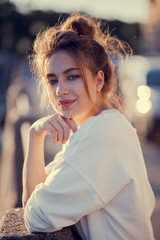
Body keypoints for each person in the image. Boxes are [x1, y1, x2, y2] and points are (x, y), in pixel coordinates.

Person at [22, 12, 155, 240]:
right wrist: (35, 135)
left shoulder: (102, 134)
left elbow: (36, 216)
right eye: (52, 80)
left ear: (99, 80)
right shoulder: (101, 127)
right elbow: (33, 198)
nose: (59, 91)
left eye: (72, 76)